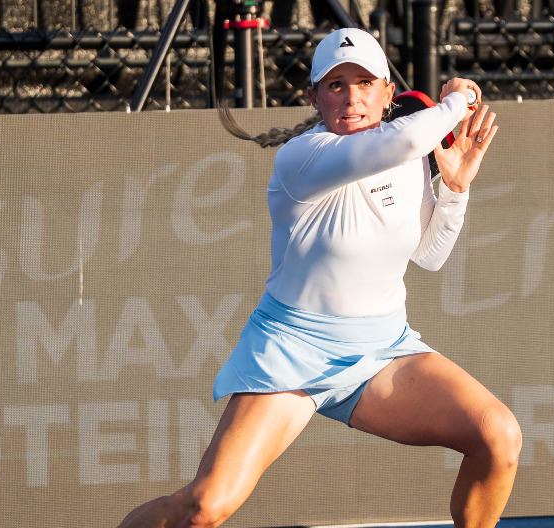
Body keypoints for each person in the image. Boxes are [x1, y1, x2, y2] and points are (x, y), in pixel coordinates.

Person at [116, 27, 520, 528]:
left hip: (382, 352)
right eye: (335, 85)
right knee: (202, 508)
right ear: (314, 97)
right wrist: (458, 100)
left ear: (388, 92)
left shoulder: (409, 154)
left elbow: (429, 256)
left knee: (498, 435)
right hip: (292, 353)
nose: (351, 98)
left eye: (365, 83)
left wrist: (455, 187)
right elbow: (414, 134)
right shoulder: (302, 156)